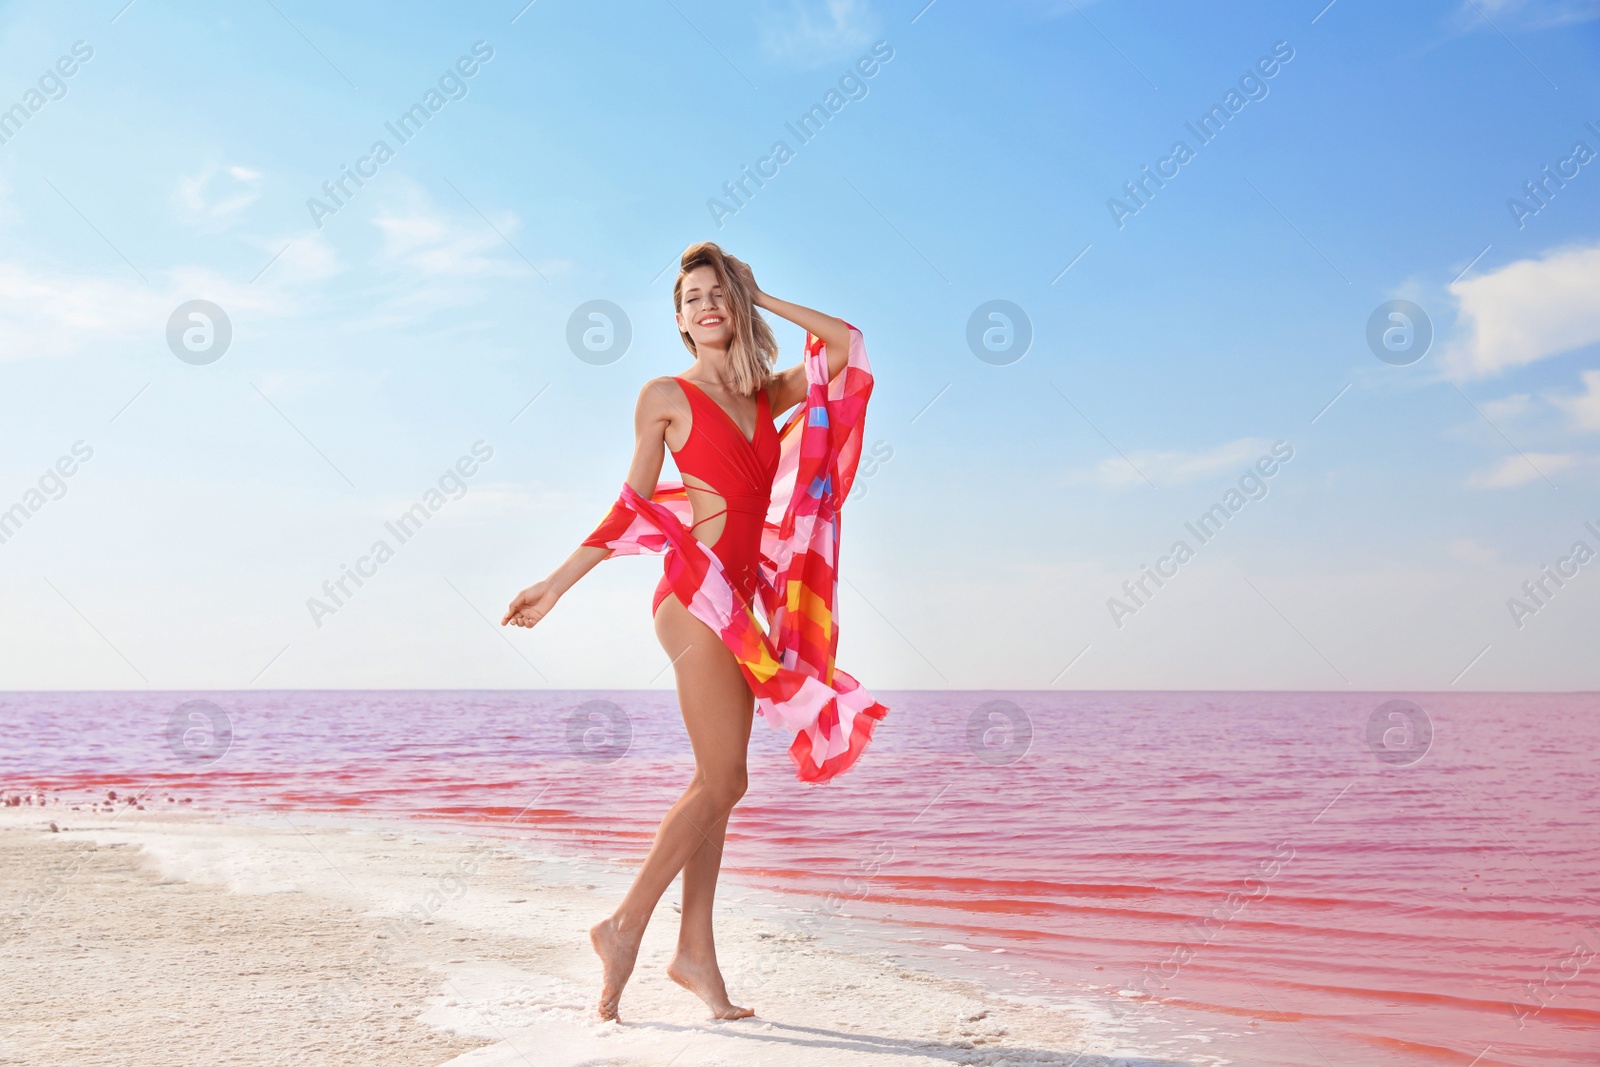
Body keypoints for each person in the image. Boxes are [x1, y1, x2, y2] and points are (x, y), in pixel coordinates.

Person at [501, 241, 885, 1021]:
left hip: (745, 606)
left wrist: (762, 291)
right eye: (692, 299)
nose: (705, 305)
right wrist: (554, 584)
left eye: (718, 293)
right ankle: (623, 926)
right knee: (724, 780)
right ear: (678, 321)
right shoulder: (662, 396)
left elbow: (843, 347)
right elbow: (629, 509)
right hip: (693, 594)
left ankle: (695, 954)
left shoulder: (764, 393)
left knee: (720, 782)